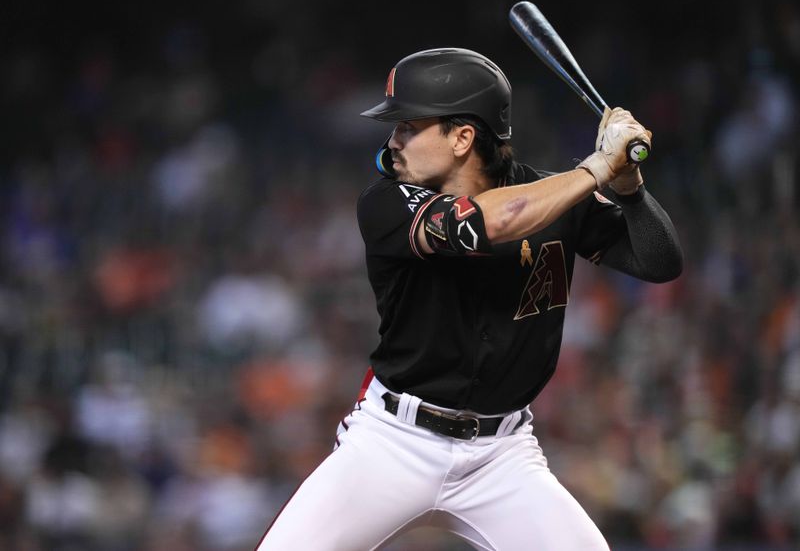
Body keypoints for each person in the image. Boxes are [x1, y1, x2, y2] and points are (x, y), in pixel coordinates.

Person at [256, 47, 683, 550]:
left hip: (502, 456)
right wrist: (597, 168)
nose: (392, 141)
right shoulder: (387, 201)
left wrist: (630, 188)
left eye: (408, 127)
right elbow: (489, 222)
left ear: (462, 137)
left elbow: (659, 262)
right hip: (393, 442)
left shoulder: (555, 194)